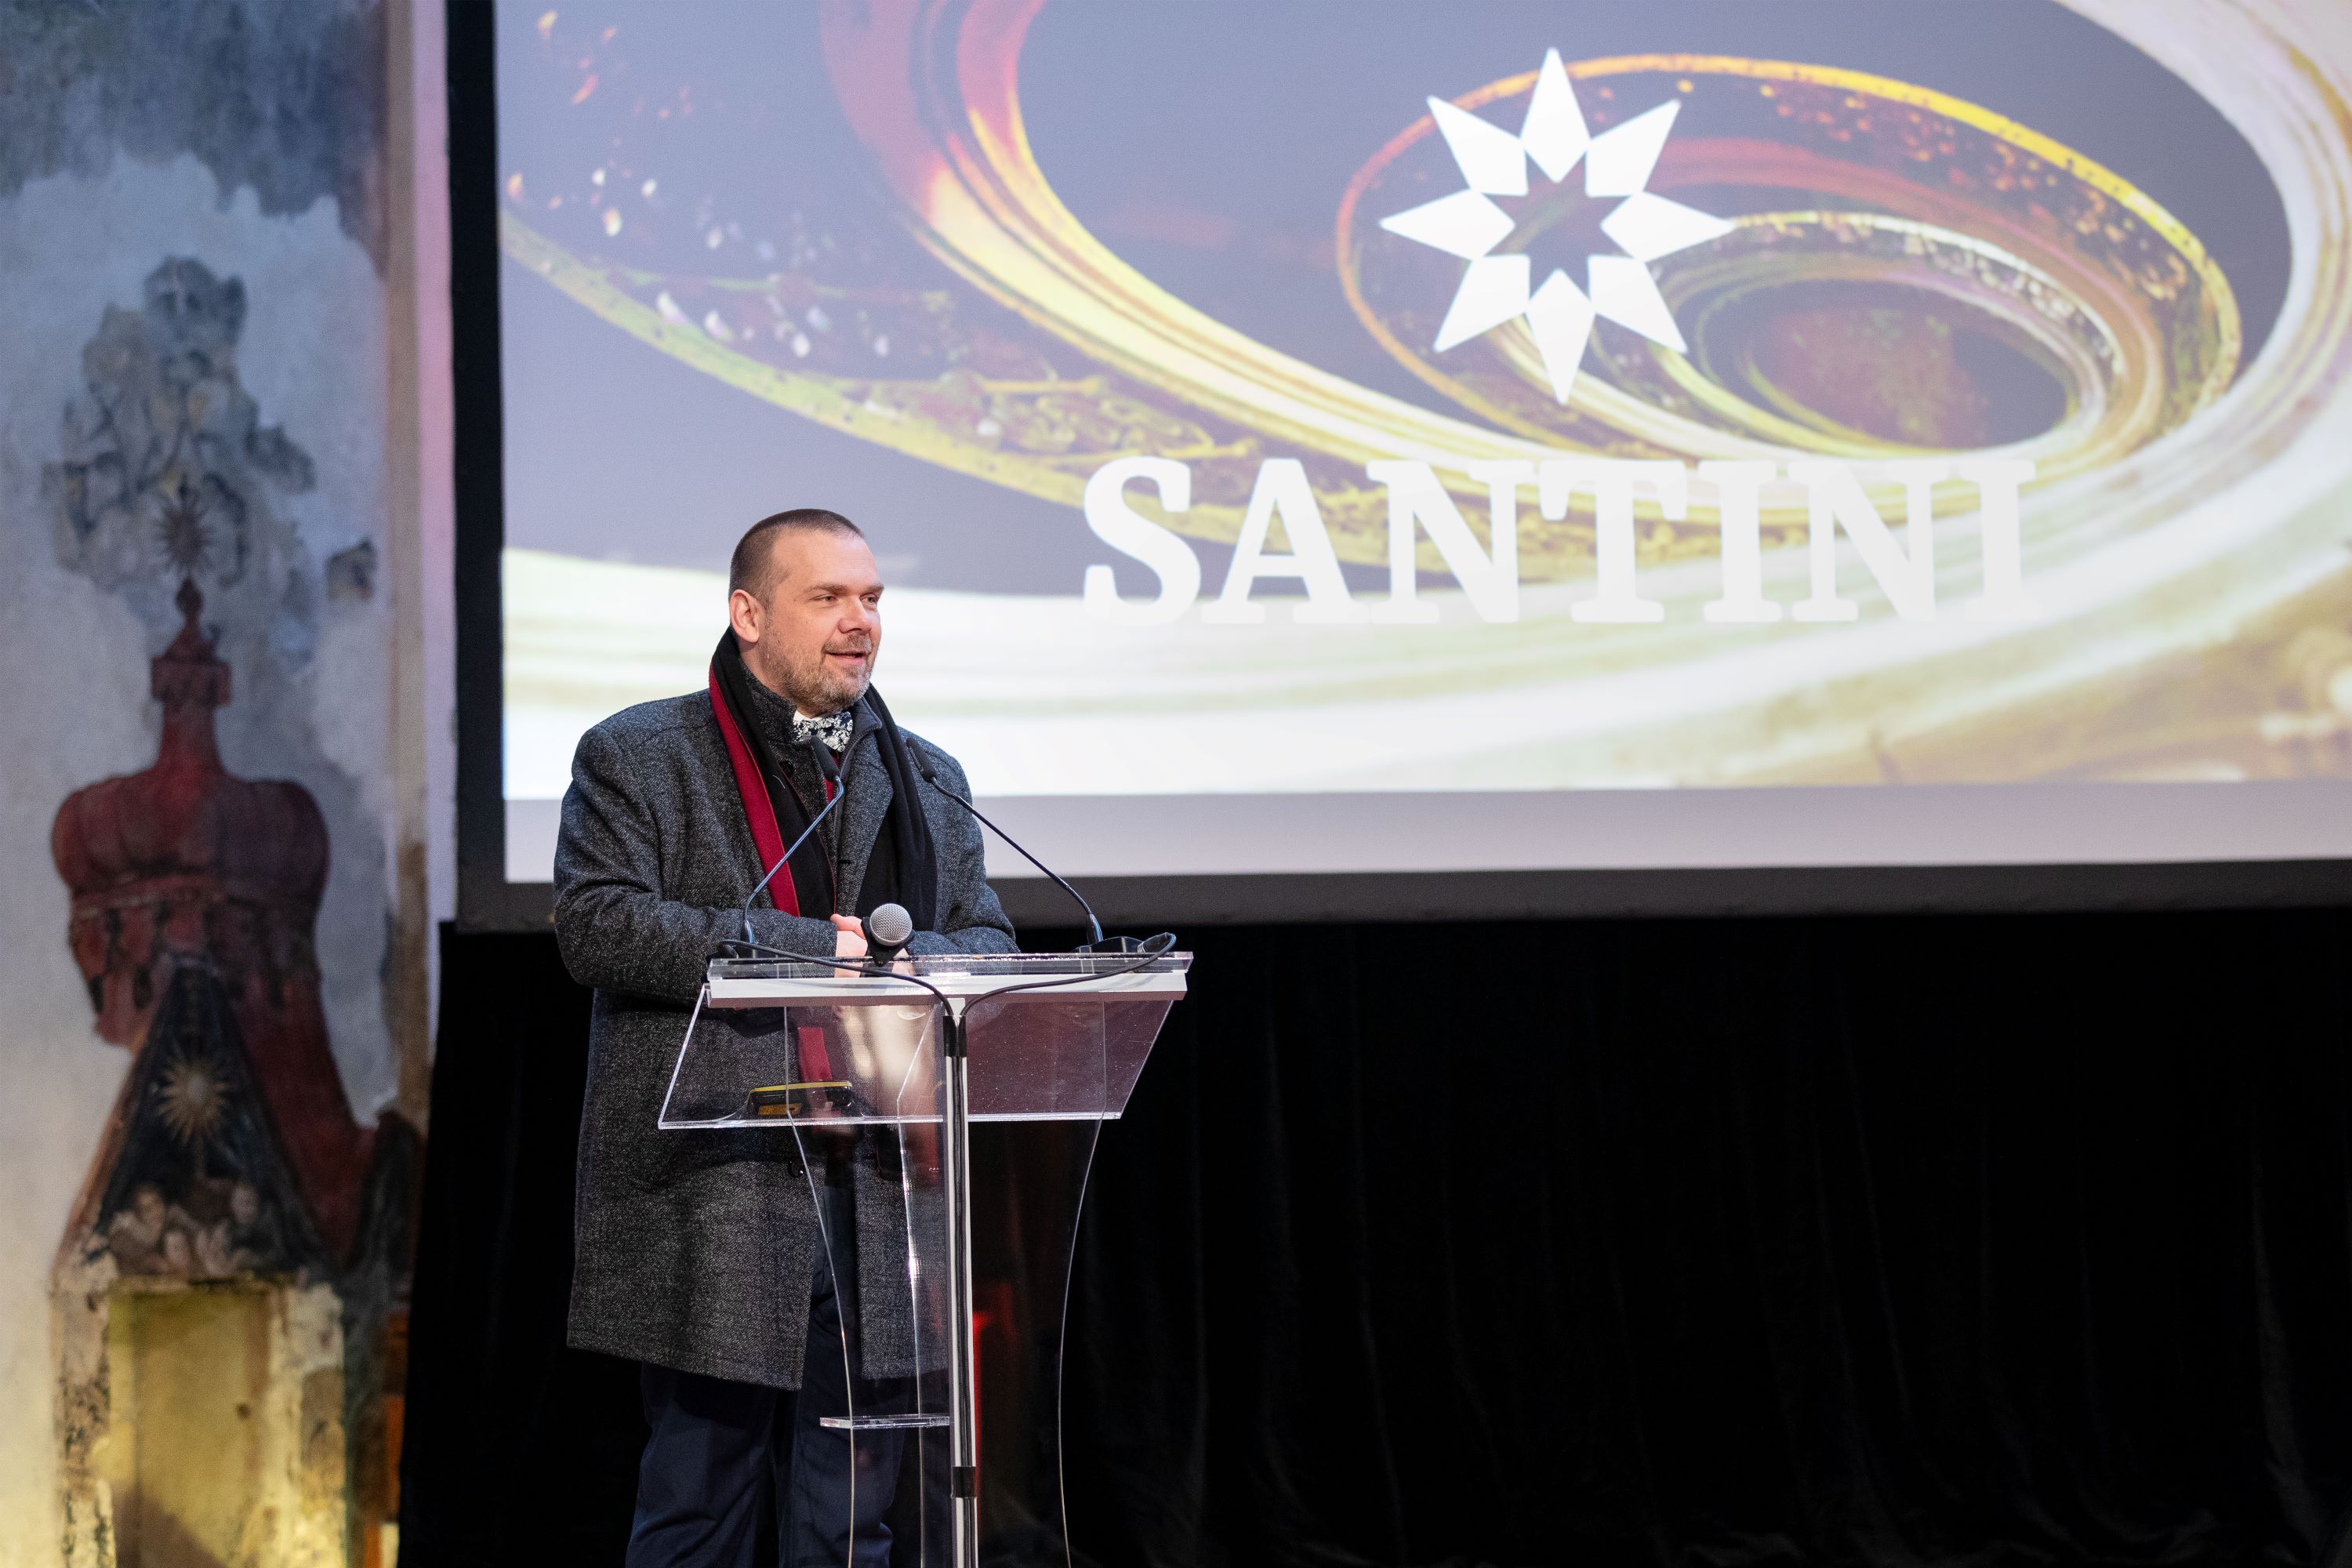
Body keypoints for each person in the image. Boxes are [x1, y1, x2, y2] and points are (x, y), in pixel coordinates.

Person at [554, 508, 1015, 1566]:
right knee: (699, 1507)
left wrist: (902, 961)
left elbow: (987, 941)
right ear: (749, 614)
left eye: (872, 599)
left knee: (854, 1523)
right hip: (721, 1180)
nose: (861, 621)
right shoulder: (641, 754)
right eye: (828, 598)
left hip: (877, 1187)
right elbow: (598, 925)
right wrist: (816, 948)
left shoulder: (925, 774)